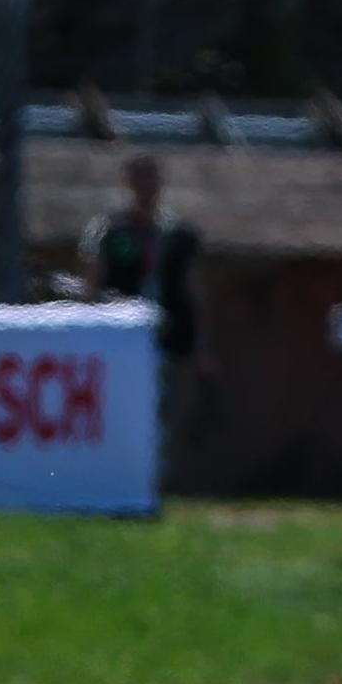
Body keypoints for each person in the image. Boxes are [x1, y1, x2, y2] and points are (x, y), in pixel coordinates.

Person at [80, 153, 205, 481]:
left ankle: (156, 479)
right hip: (122, 339)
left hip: (167, 337)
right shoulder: (111, 230)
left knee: (165, 411)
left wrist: (200, 342)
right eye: (140, 178)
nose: (146, 186)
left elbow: (192, 289)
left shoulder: (178, 234)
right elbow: (93, 283)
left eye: (152, 177)